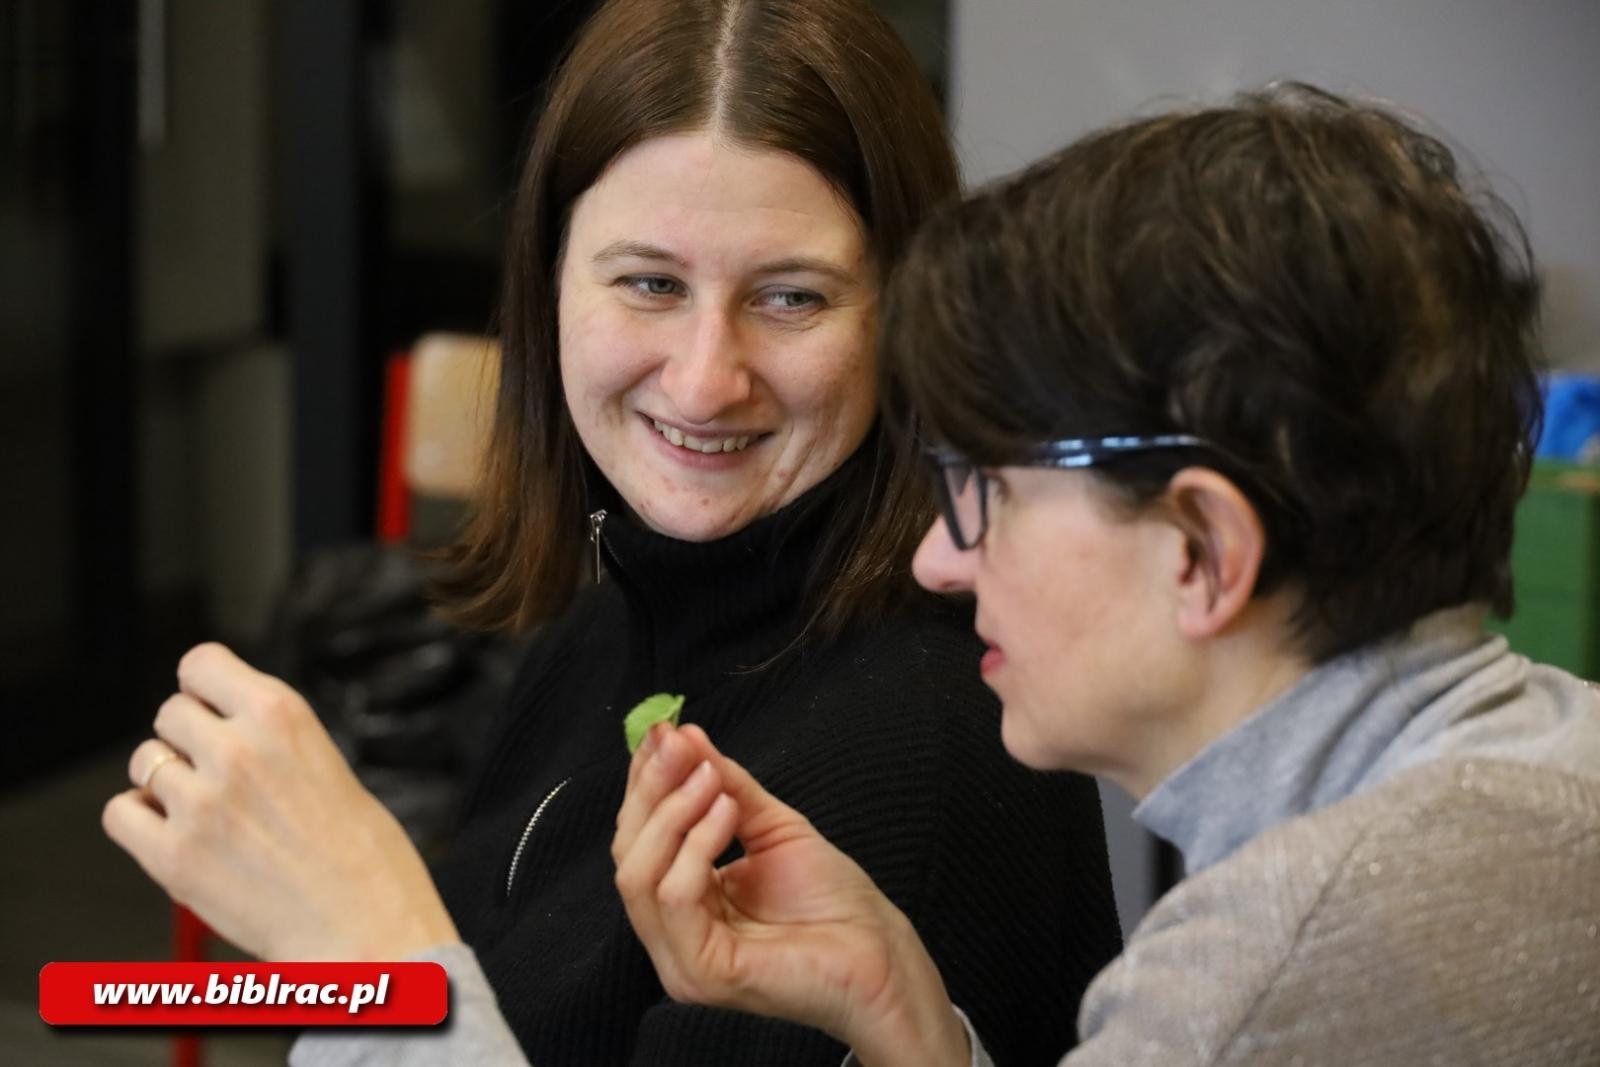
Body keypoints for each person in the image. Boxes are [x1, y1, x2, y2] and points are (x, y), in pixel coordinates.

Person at [100, 1, 1123, 1064]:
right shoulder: (601, 633)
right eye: (649, 283)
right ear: (547, 284)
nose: (702, 378)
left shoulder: (917, 738)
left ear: (900, 314)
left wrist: (371, 945)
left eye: (789, 297)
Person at [609, 84, 1600, 1065]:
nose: (936, 558)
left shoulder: (1254, 973)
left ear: (1202, 547)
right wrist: (899, 1010)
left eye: (984, 488)